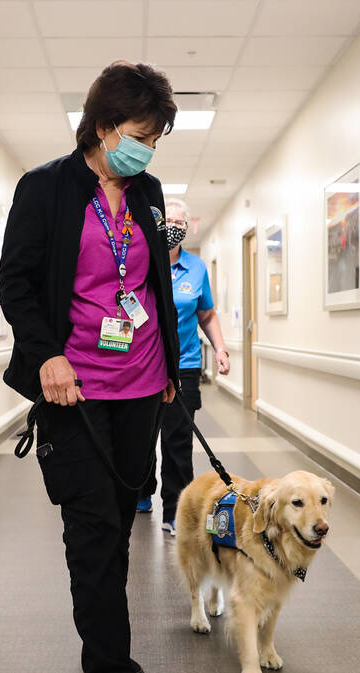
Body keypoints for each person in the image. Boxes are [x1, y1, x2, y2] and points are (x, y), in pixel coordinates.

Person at [0, 61, 179, 673]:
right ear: (102, 126)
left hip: (141, 385)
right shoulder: (45, 189)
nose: (147, 149)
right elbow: (15, 282)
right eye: (139, 134)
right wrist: (46, 353)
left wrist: (167, 366)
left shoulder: (149, 191)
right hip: (73, 391)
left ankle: (110, 651)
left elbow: (154, 279)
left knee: (120, 526)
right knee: (92, 532)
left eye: (156, 138)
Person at [136, 198, 230, 533]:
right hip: (143, 363)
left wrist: (219, 348)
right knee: (142, 435)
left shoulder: (197, 268)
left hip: (184, 366)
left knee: (177, 441)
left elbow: (206, 314)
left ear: (187, 228)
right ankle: (142, 491)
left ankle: (175, 512)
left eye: (179, 222)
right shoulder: (140, 262)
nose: (173, 228)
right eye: (167, 222)